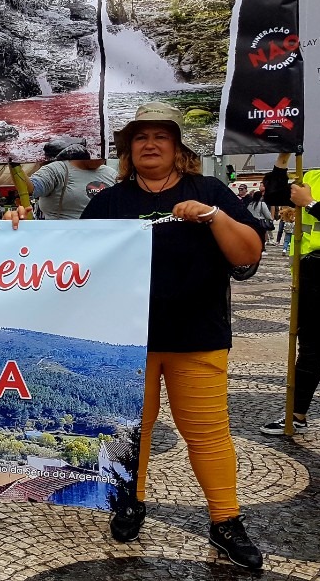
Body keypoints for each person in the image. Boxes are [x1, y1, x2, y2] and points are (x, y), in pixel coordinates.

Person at [79, 101, 263, 569]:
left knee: (207, 434)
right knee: (129, 432)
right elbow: (73, 263)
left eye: (161, 136)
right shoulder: (108, 202)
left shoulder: (211, 190)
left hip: (197, 337)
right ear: (128, 149)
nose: (150, 144)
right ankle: (129, 500)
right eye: (141, 137)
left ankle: (225, 522)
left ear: (178, 146)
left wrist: (213, 217)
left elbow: (247, 254)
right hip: (125, 344)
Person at [259, 153, 320, 434]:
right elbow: (274, 196)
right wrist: (282, 160)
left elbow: (305, 203)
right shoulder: (313, 175)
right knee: (310, 348)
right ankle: (296, 415)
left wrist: (310, 204)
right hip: (313, 272)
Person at [26, 144, 116, 220]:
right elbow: (30, 189)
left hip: (104, 238)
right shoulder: (57, 170)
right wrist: (14, 165)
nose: (102, 157)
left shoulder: (111, 174)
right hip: (64, 237)